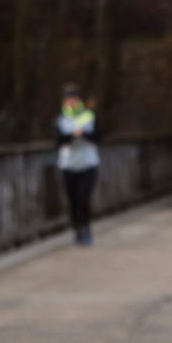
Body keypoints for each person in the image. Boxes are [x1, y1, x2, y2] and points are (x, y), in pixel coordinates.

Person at [55, 84, 102, 245]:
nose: (71, 102)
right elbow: (57, 141)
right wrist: (71, 135)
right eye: (68, 98)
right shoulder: (61, 118)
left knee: (84, 199)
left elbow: (99, 137)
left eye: (73, 98)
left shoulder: (89, 115)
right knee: (73, 200)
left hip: (88, 163)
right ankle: (77, 231)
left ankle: (87, 229)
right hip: (68, 165)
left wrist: (84, 134)